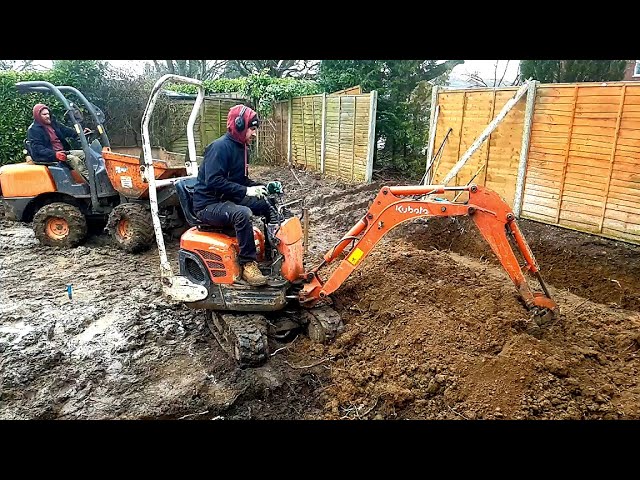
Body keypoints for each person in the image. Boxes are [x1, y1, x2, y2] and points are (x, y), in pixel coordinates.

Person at [192, 104, 282, 287]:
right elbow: (213, 181)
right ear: (239, 125)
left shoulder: (241, 148)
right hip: (208, 205)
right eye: (253, 128)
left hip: (226, 199)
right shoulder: (219, 148)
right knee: (242, 213)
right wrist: (245, 191)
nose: (255, 134)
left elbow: (241, 180)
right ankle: (248, 265)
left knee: (267, 203)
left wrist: (263, 188)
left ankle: (272, 253)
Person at [27, 103, 91, 181]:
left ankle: (96, 178)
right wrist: (54, 154)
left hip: (63, 152)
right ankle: (92, 183)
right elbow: (38, 149)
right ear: (38, 116)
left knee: (86, 154)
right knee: (74, 159)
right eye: (44, 114)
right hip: (49, 157)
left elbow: (67, 131)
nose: (47, 116)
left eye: (48, 114)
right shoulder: (34, 130)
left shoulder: (53, 124)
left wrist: (81, 133)